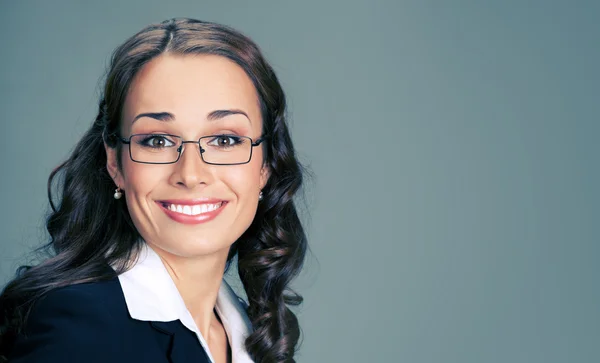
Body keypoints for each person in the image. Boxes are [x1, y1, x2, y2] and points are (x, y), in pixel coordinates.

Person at [0, 18, 307, 363]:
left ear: (266, 165)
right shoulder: (80, 331)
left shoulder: (251, 332)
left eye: (225, 140)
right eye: (157, 141)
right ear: (115, 164)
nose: (191, 175)